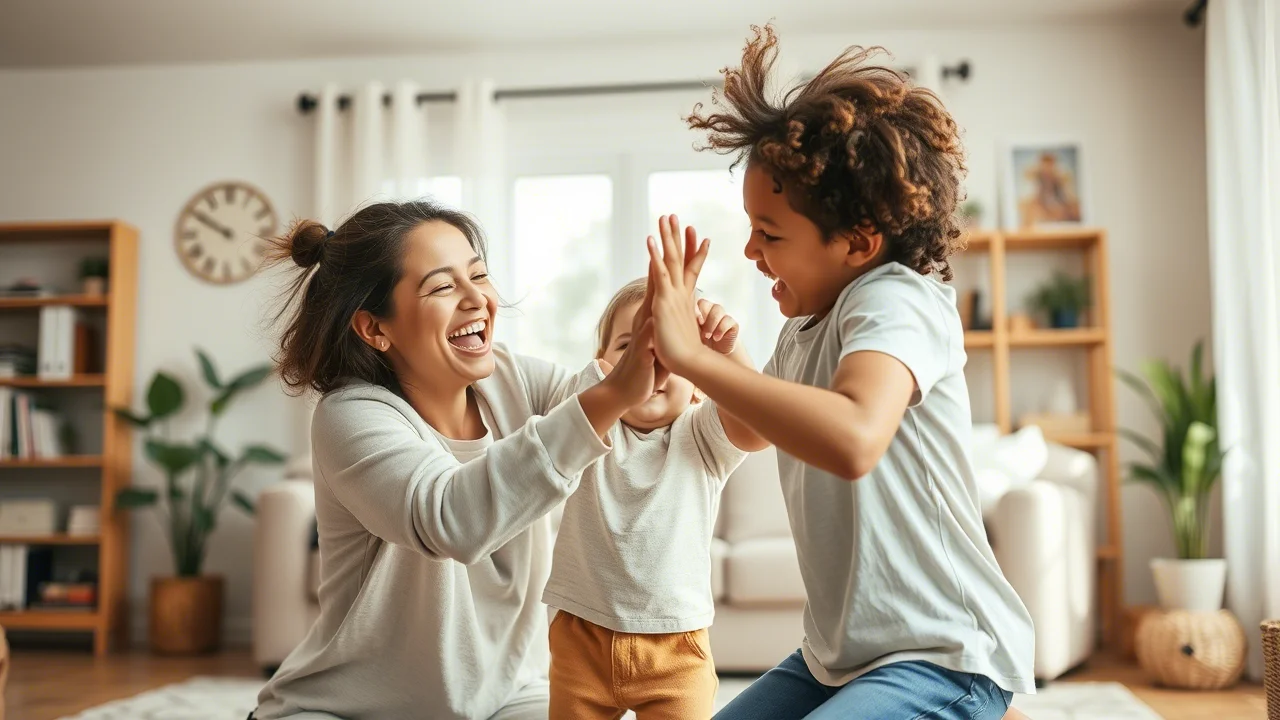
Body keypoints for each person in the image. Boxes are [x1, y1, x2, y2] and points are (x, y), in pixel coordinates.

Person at [641, 25, 1036, 719]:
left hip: (943, 654)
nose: (751, 250)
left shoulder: (897, 301)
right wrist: (720, 359)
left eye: (770, 233)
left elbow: (854, 437)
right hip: (836, 660)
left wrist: (694, 359)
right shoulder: (803, 327)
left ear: (857, 242)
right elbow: (748, 431)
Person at [251, 200, 665, 720]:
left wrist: (673, 342)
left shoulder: (514, 380)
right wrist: (613, 394)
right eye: (443, 287)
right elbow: (451, 519)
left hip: (508, 694)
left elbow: (632, 415)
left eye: (480, 276)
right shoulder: (350, 415)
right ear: (375, 328)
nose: (479, 299)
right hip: (349, 708)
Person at [543, 266, 769, 719]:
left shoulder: (701, 436)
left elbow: (758, 423)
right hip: (582, 637)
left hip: (676, 647)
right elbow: (585, 393)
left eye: (671, 353)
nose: (650, 363)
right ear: (601, 364)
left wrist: (726, 353)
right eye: (630, 348)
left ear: (698, 386)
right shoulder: (588, 423)